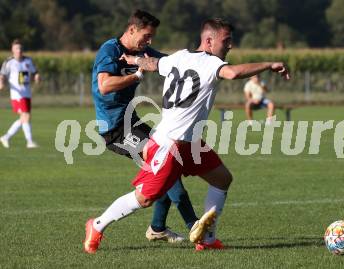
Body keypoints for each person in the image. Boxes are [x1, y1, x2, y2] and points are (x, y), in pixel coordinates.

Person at [83, 18, 290, 253]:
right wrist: (269, 64)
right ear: (209, 41)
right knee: (145, 198)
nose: (230, 46)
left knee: (222, 179)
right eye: (227, 41)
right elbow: (232, 73)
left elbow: (153, 63)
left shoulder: (179, 57)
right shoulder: (210, 63)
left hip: (189, 142)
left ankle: (208, 240)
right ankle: (97, 225)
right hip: (168, 144)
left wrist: (134, 59)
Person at [90, 9, 199, 244]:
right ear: (132, 30)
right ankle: (197, 229)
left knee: (169, 167)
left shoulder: (142, 51)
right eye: (146, 36)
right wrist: (136, 76)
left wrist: (199, 60)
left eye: (151, 38)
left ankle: (158, 228)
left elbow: (168, 62)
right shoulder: (110, 50)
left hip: (132, 122)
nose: (149, 42)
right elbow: (105, 86)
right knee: (168, 166)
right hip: (115, 129)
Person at [0, 39, 40, 148]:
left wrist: (36, 76)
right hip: (16, 94)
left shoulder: (28, 60)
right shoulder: (9, 62)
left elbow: (34, 71)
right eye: (17, 48)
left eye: (21, 48)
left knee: (25, 118)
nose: (19, 50)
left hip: (26, 93)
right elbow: (2, 75)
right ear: (12, 50)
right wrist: (1, 83)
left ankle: (6, 137)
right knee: (25, 116)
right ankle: (29, 142)